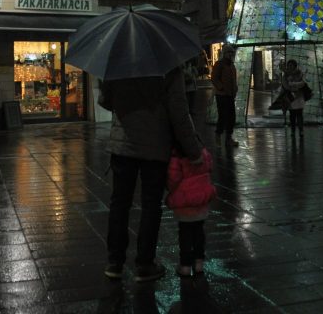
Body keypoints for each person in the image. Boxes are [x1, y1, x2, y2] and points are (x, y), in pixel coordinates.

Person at [100, 67, 204, 283]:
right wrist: (194, 150)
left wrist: (128, 105)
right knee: (150, 205)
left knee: (120, 203)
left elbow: (105, 100)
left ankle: (114, 262)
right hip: (155, 145)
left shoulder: (118, 64)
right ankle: (144, 264)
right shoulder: (168, 66)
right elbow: (179, 111)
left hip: (123, 143)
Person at [166, 144, 215, 277]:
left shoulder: (177, 156)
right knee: (199, 231)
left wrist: (170, 192)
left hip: (184, 202)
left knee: (185, 233)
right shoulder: (203, 152)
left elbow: (173, 179)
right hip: (200, 201)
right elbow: (210, 168)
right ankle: (199, 263)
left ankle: (185, 266)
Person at [210, 48, 239, 147]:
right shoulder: (219, 64)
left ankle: (228, 138)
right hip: (222, 95)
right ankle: (218, 135)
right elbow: (214, 77)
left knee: (231, 117)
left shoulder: (232, 65)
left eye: (232, 52)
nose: (231, 54)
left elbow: (234, 79)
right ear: (224, 53)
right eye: (229, 52)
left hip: (230, 95)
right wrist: (221, 87)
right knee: (222, 116)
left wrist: (235, 89)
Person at [282, 60, 307, 138]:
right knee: (292, 115)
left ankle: (301, 130)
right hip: (290, 96)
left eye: (291, 65)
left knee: (299, 114)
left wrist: (293, 84)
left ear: (295, 66)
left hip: (299, 96)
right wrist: (290, 86)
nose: (290, 67)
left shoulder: (300, 73)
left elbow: (303, 83)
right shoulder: (286, 75)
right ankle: (293, 130)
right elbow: (285, 84)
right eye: (288, 65)